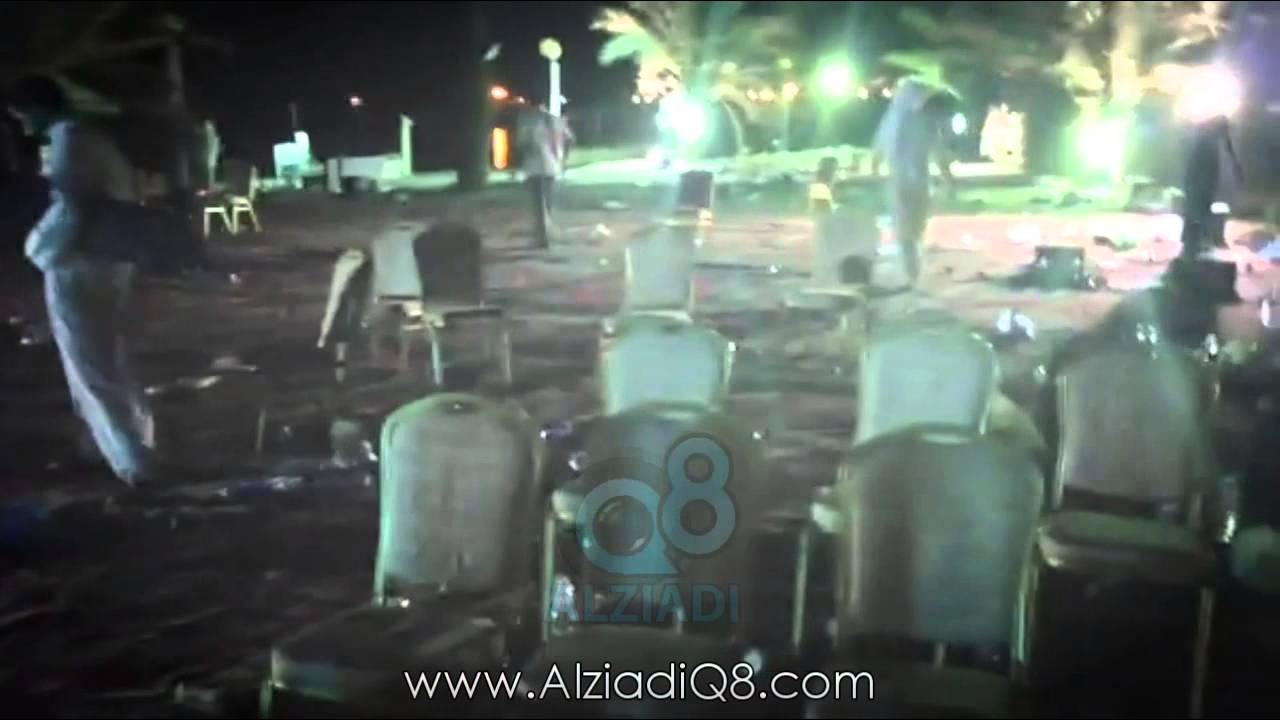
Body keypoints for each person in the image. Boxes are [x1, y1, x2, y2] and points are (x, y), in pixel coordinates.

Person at [9, 75, 161, 488]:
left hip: (80, 264)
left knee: (92, 367)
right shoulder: (92, 140)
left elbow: (72, 208)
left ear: (38, 108)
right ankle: (110, 451)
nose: (22, 125)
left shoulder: (70, 142)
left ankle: (134, 464)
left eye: (22, 115)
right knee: (106, 361)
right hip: (106, 261)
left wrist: (38, 249)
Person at [870, 79, 957, 289]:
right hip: (912, 181)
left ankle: (911, 272)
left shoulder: (900, 118)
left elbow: (878, 148)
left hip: (906, 180)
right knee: (910, 230)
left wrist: (875, 168)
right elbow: (939, 151)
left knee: (910, 230)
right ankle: (912, 273)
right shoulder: (917, 120)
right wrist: (948, 178)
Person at [517, 105, 574, 249]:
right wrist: (563, 158)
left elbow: (524, 143)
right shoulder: (556, 121)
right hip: (552, 167)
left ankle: (542, 238)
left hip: (535, 168)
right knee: (547, 204)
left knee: (538, 206)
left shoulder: (529, 122)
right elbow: (569, 139)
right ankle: (545, 236)